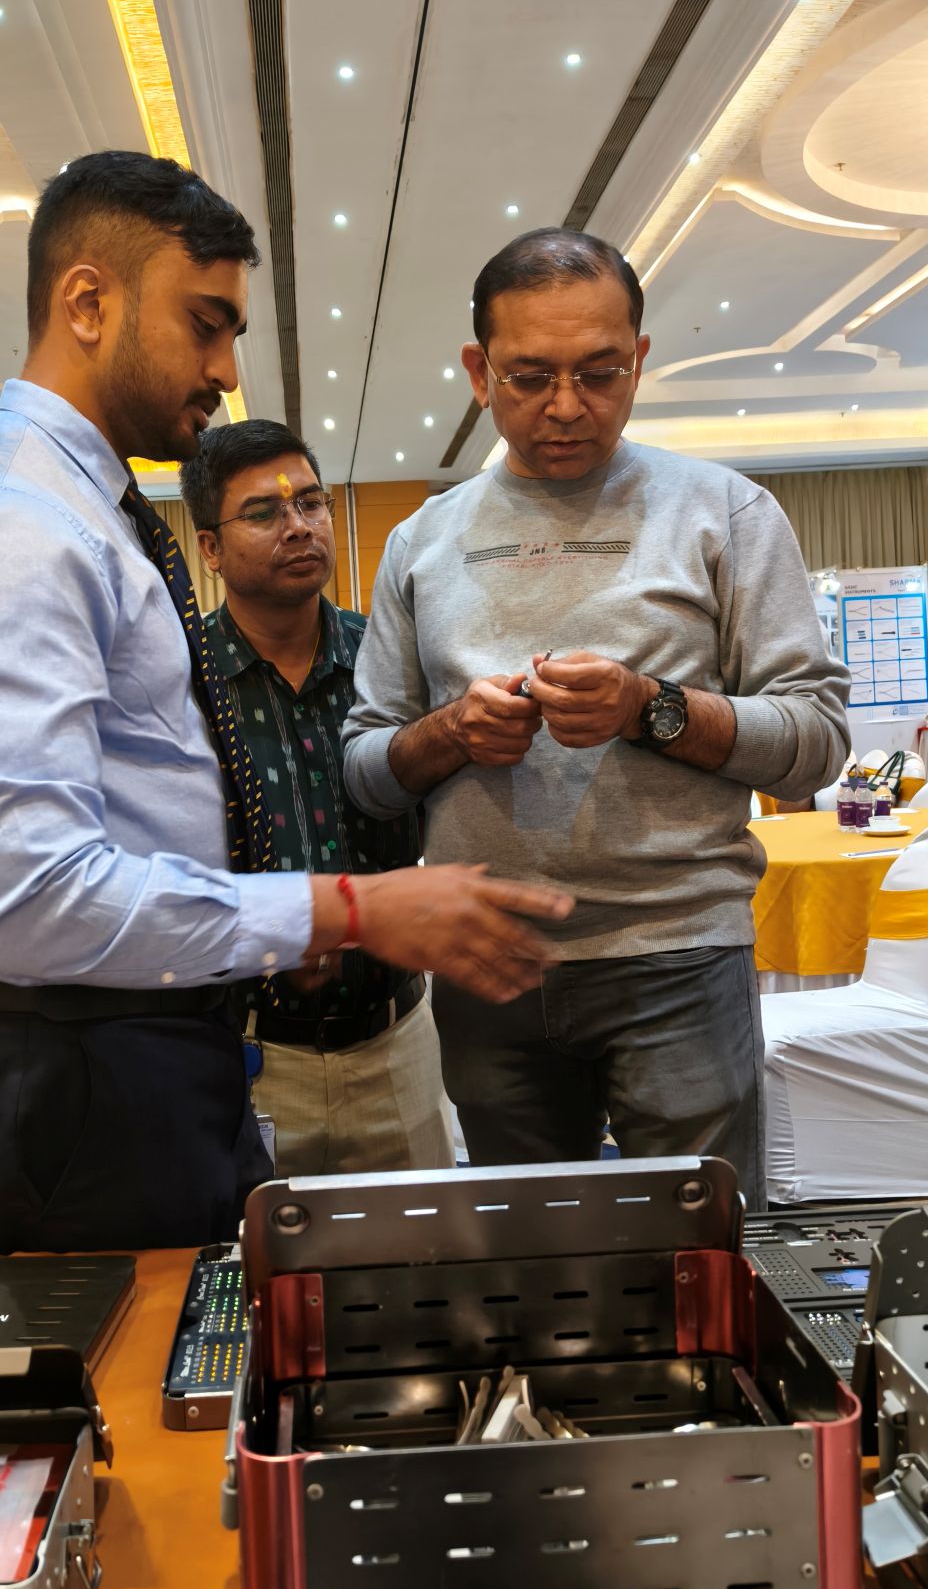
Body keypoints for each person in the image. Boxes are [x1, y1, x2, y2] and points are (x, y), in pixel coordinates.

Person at [0, 154, 570, 1255]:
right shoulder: (8, 523)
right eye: (205, 324)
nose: (226, 372)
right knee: (128, 1360)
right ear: (88, 303)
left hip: (124, 1041)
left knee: (205, 1337)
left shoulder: (78, 507)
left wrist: (272, 926)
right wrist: (346, 908)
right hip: (65, 1062)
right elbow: (32, 896)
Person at [342, 227, 850, 1205]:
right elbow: (366, 768)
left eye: (601, 372)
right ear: (478, 372)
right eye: (531, 377)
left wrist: (649, 707)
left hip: (678, 953)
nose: (568, 406)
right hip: (487, 957)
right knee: (530, 1251)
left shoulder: (727, 514)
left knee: (699, 1248)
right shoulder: (420, 541)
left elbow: (817, 743)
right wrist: (450, 733)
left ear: (640, 359)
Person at [181, 419, 454, 1175]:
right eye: (264, 512)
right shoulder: (178, 682)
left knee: (423, 1247)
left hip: (397, 1044)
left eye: (310, 502)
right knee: (258, 1254)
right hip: (246, 1058)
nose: (299, 526)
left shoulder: (389, 663)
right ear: (210, 548)